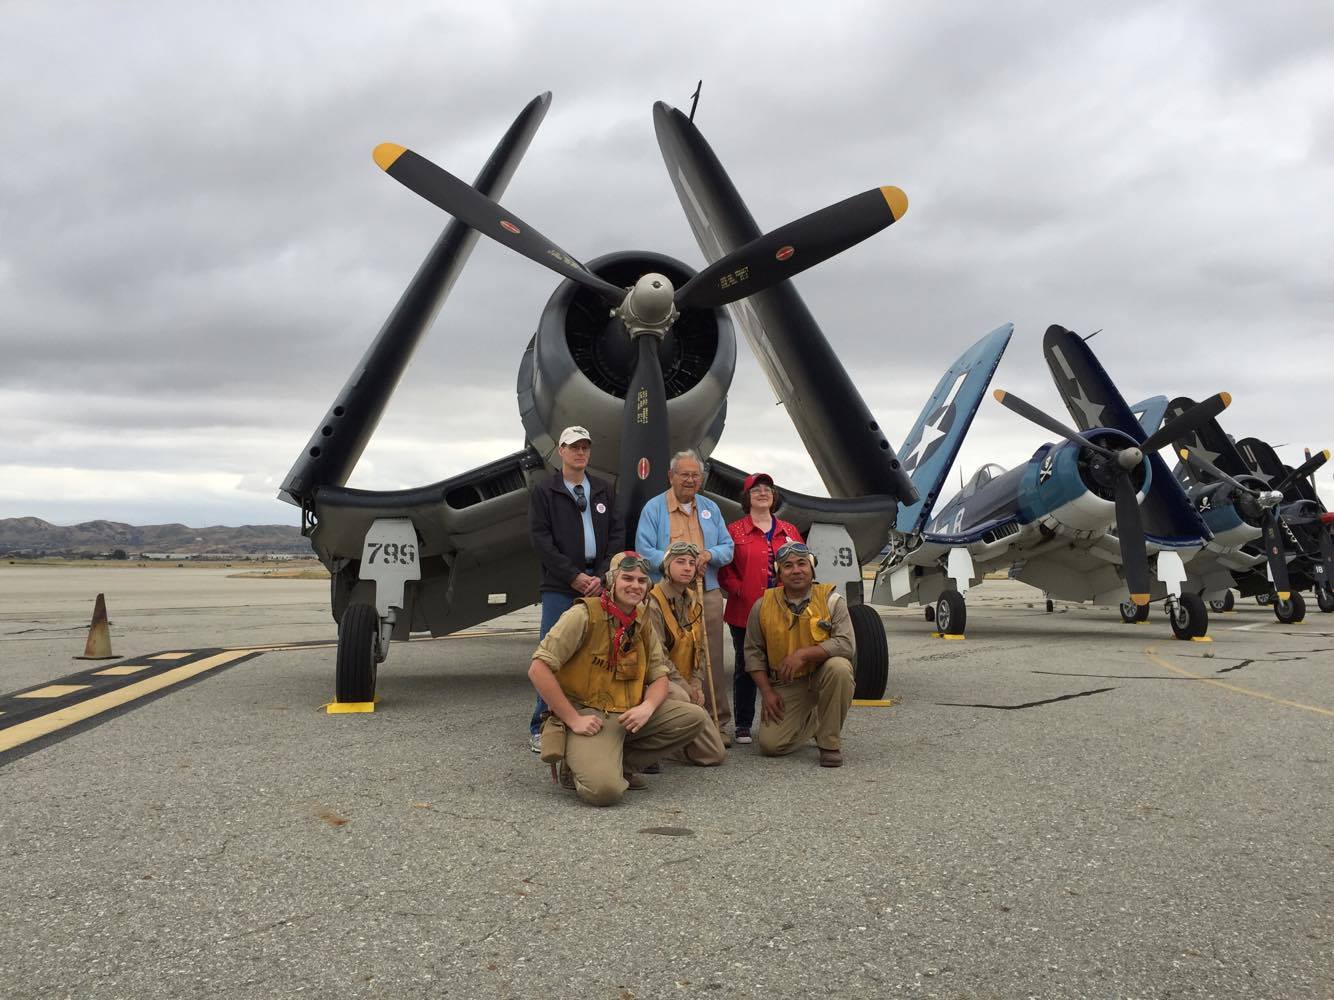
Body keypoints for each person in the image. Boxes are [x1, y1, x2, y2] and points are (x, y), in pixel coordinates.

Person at [528, 551, 710, 806]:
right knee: (605, 792)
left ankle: (620, 764)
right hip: (589, 715)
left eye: (641, 580)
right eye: (627, 578)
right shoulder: (583, 615)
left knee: (694, 717)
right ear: (611, 581)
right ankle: (574, 766)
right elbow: (538, 668)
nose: (635, 585)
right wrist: (573, 719)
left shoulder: (641, 621)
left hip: (627, 712)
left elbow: (660, 676)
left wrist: (647, 708)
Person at [526, 426, 624, 752]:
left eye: (585, 447)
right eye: (573, 447)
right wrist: (572, 577)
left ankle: (591, 716)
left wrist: (601, 575)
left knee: (597, 652)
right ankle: (541, 724)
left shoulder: (604, 490)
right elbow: (541, 540)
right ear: (561, 452)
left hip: (598, 584)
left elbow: (616, 535)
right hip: (560, 585)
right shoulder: (544, 491)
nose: (580, 453)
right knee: (551, 653)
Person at [635, 449, 735, 745]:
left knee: (710, 657)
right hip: (667, 594)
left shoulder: (711, 509)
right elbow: (643, 550)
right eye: (684, 475)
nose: (690, 480)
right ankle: (674, 722)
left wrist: (709, 554)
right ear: (671, 476)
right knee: (664, 655)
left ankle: (719, 722)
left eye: (695, 475)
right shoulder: (653, 509)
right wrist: (676, 561)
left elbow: (728, 547)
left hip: (707, 591)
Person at [743, 541, 856, 767]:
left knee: (840, 668)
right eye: (788, 566)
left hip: (822, 675)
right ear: (779, 574)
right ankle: (813, 722)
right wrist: (766, 692)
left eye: (802, 564)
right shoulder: (762, 605)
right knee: (771, 746)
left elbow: (845, 644)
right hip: (787, 682)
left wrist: (803, 654)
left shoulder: (832, 600)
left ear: (812, 568)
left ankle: (829, 743)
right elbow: (753, 652)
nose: (796, 570)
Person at [718, 472, 804, 745]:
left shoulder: (789, 531)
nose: (763, 493)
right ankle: (743, 724)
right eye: (756, 490)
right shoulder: (734, 531)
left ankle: (785, 718)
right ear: (747, 498)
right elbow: (724, 569)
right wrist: (738, 589)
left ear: (774, 496)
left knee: (783, 663)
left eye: (767, 489)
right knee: (746, 666)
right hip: (745, 611)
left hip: (783, 610)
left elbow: (802, 563)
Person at [645, 541, 727, 767]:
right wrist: (686, 687)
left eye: (692, 563)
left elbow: (699, 649)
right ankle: (646, 745)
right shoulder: (652, 601)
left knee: (714, 754)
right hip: (656, 681)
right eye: (680, 562)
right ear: (666, 567)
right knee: (680, 697)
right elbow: (658, 656)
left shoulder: (693, 600)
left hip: (685, 684)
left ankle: (669, 748)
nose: (688, 567)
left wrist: (697, 683)